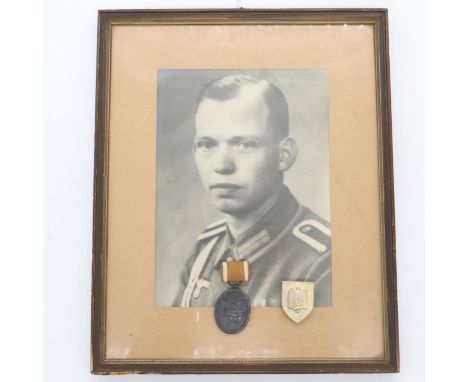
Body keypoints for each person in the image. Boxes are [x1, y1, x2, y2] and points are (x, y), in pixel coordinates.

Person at [176, 74, 331, 308]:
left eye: (244, 144)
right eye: (207, 144)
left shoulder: (323, 259)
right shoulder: (205, 250)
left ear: (284, 155)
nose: (221, 165)